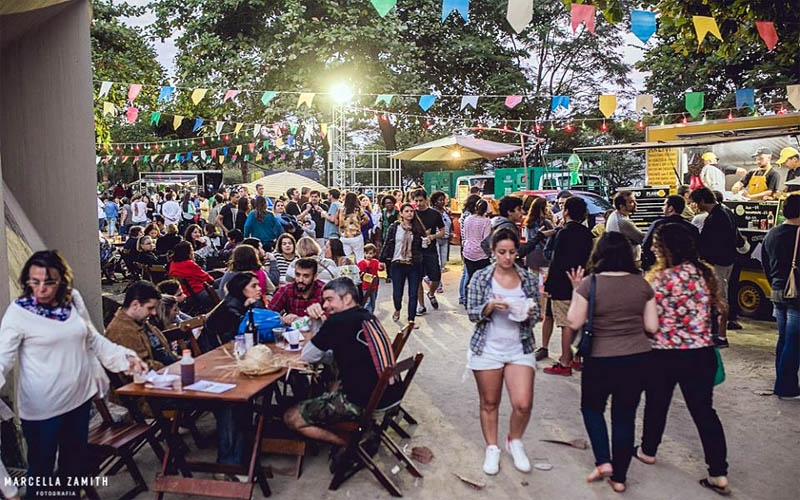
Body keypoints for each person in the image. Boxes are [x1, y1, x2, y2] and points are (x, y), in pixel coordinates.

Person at [0, 250, 145, 497]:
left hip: (79, 400)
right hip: (42, 409)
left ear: (62, 280)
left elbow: (93, 340)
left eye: (49, 282)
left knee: (74, 469)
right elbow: (3, 356)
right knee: (42, 474)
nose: (41, 289)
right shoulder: (19, 311)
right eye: (34, 282)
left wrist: (125, 358)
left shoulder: (73, 300)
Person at [636, 223, 731, 496]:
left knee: (656, 405)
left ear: (668, 248)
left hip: (664, 354)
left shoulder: (660, 279)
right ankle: (718, 473)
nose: (653, 248)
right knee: (704, 413)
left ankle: (648, 451)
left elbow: (649, 322)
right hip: (701, 354)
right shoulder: (705, 274)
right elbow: (717, 311)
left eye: (656, 244)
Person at [565, 233, 658, 492]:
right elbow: (652, 326)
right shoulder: (642, 284)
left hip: (600, 359)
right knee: (624, 417)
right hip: (638, 359)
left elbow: (573, 322)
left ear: (599, 254)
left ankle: (603, 460)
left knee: (592, 408)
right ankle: (620, 479)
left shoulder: (589, 284)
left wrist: (576, 290)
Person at [283, 278, 401, 445]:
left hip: (364, 403)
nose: (324, 305)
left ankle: (351, 444)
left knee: (291, 417)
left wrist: (315, 321)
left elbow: (308, 356)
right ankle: (357, 435)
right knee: (331, 382)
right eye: (324, 300)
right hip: (391, 396)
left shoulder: (338, 321)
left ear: (347, 299)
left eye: (330, 299)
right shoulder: (367, 316)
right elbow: (332, 355)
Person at [466, 228, 540, 475]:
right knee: (489, 402)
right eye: (502, 252)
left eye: (511, 252)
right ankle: (492, 447)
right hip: (487, 347)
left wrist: (528, 313)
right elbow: (472, 313)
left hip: (520, 346)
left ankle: (514, 440)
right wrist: (487, 307)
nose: (507, 257)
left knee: (523, 403)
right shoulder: (481, 277)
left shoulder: (527, 278)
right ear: (492, 252)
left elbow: (537, 313)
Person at [543, 196, 594, 376]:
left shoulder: (563, 233)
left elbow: (557, 261)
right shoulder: (588, 234)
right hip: (581, 282)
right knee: (579, 321)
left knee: (566, 323)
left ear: (567, 212)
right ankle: (577, 358)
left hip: (562, 283)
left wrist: (549, 285)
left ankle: (565, 361)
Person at [761, 193, 800, 399]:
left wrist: (774, 283)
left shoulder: (772, 233)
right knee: (794, 341)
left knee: (784, 338)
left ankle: (781, 381)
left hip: (776, 291)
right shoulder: (797, 235)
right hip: (796, 294)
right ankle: (787, 387)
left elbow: (765, 264)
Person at [690, 187, 737, 348]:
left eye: (696, 202)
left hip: (719, 263)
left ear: (703, 200)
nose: (696, 206)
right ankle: (717, 333)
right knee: (720, 298)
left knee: (720, 299)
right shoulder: (725, 211)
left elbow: (712, 244)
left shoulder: (716, 218)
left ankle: (721, 337)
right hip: (727, 261)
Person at [106, 281, 177, 371]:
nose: (154, 313)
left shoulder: (139, 322)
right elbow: (140, 367)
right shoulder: (122, 332)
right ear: (135, 305)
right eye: (150, 308)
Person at [380, 202, 426, 323]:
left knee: (413, 293)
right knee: (397, 292)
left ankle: (411, 319)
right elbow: (387, 243)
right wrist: (382, 260)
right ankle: (397, 309)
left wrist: (425, 243)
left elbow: (423, 247)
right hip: (397, 263)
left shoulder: (418, 228)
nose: (409, 213)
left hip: (413, 264)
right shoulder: (394, 227)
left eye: (411, 211)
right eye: (406, 211)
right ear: (401, 213)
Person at [204, 271, 265, 350]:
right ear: (241, 288)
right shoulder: (229, 308)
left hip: (239, 345)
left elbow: (263, 319)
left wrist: (255, 304)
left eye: (258, 285)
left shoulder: (250, 300)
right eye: (254, 286)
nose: (259, 288)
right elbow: (242, 329)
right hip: (216, 349)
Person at [641, 195, 699, 271]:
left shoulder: (657, 224)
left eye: (664, 205)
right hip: (684, 269)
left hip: (660, 268)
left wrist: (653, 263)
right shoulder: (691, 228)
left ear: (670, 208)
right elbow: (696, 249)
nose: (662, 207)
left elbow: (646, 246)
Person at [410, 189, 445, 315]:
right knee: (417, 279)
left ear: (426, 200)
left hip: (431, 250)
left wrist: (432, 237)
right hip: (416, 251)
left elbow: (442, 231)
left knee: (436, 276)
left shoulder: (434, 214)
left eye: (421, 201)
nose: (418, 203)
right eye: (416, 201)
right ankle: (421, 305)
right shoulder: (412, 214)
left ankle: (430, 293)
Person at [269, 258, 325, 325]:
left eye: (306, 276)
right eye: (297, 275)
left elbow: (331, 318)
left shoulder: (324, 290)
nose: (300, 280)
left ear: (315, 277)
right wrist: (283, 319)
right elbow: (269, 314)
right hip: (292, 332)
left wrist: (300, 321)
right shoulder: (286, 290)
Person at [167, 241, 215, 308]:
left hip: (186, 292)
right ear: (187, 253)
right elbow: (208, 279)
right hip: (198, 293)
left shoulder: (173, 263)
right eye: (192, 250)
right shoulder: (189, 264)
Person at [605, 191, 644, 267]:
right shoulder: (622, 221)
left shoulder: (617, 215)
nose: (636, 204)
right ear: (621, 206)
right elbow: (641, 238)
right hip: (624, 263)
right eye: (631, 202)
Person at [462, 199, 493, 285]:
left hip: (468, 252)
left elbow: (465, 234)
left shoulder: (468, 219)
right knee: (482, 279)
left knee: (470, 276)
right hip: (480, 254)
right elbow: (486, 239)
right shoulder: (486, 221)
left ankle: (466, 295)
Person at [337, 192, 369, 261]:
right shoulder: (358, 209)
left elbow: (337, 221)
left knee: (345, 258)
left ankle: (345, 270)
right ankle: (361, 271)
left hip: (344, 236)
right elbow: (367, 219)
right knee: (359, 257)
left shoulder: (341, 210)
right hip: (356, 235)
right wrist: (360, 224)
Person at [431, 191, 452, 279]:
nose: (442, 202)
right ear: (435, 201)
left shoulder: (446, 211)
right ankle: (436, 282)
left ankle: (433, 280)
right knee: (437, 262)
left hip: (445, 239)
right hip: (436, 238)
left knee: (443, 262)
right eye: (440, 200)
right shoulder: (432, 212)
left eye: (443, 200)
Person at [358, 243, 383, 313]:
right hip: (365, 286)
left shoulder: (376, 262)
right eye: (366, 253)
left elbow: (380, 269)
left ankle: (370, 314)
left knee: (373, 301)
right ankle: (367, 316)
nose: (368, 255)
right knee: (367, 301)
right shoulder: (361, 263)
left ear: (374, 254)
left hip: (374, 286)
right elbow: (358, 273)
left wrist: (381, 267)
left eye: (370, 253)